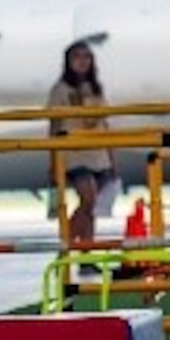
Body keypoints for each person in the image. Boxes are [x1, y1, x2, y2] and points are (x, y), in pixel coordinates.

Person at [46, 40, 115, 246]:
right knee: (89, 199)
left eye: (86, 57)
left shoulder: (96, 88)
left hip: (98, 154)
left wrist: (111, 156)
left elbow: (104, 122)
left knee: (91, 209)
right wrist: (52, 159)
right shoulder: (60, 90)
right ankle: (65, 246)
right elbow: (54, 125)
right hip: (74, 154)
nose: (82, 62)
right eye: (76, 57)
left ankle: (86, 253)